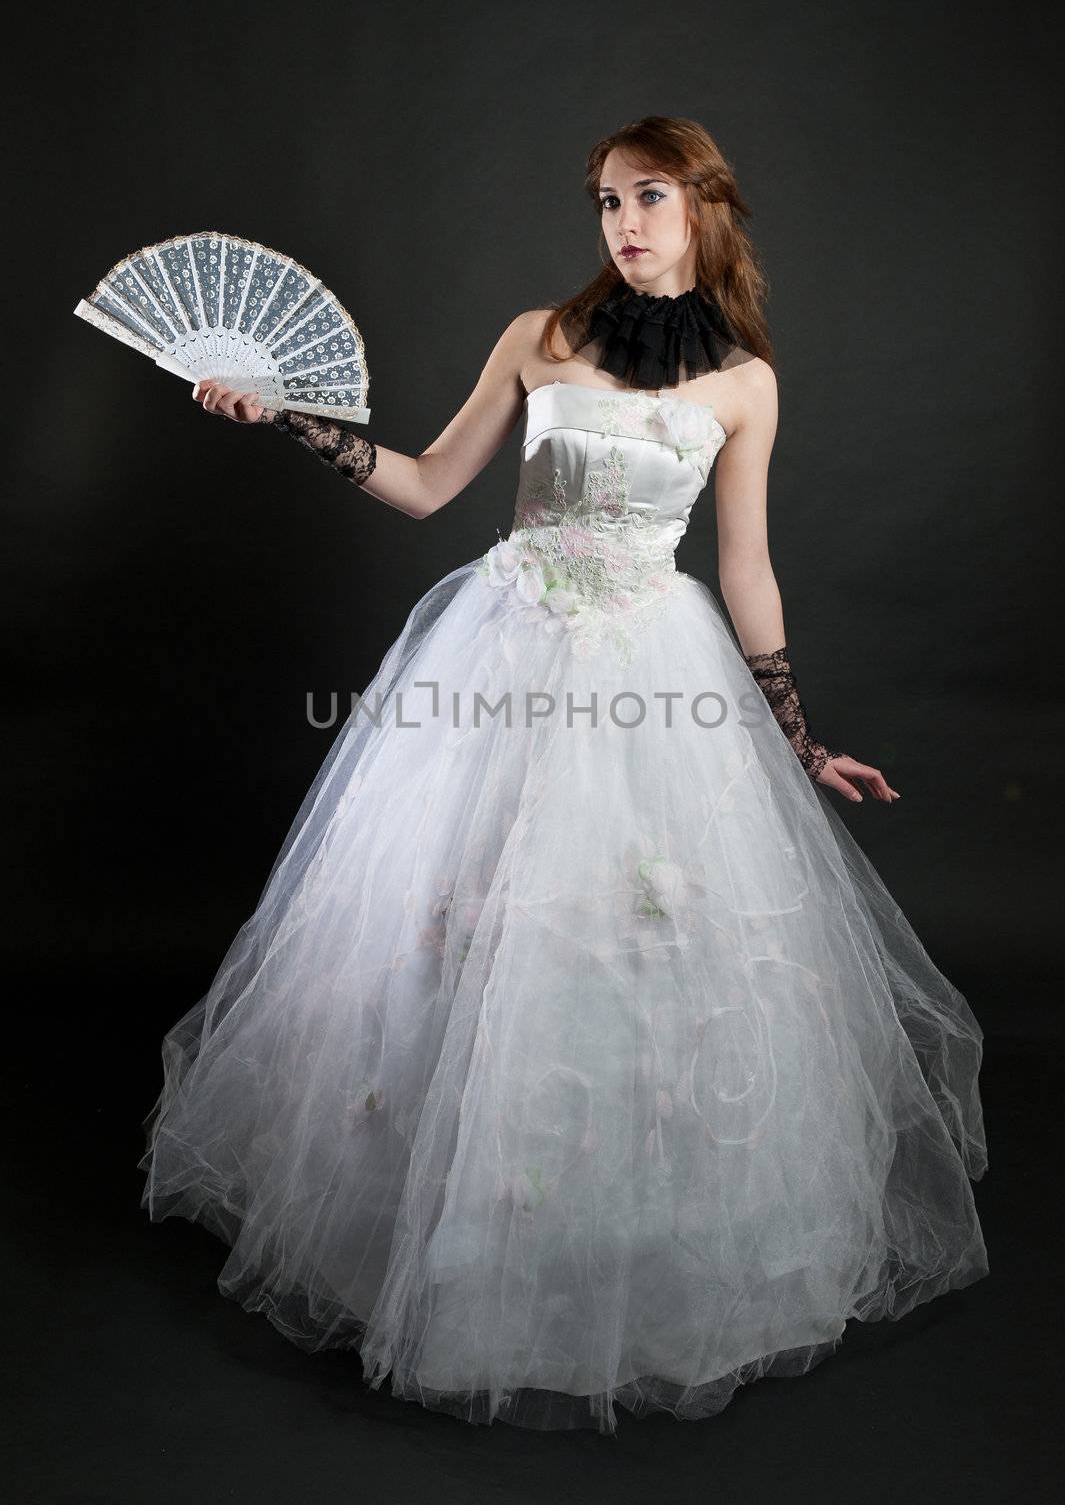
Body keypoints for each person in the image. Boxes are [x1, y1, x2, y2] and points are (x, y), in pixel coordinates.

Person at [138, 115, 988, 1437]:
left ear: (708, 208)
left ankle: (631, 1248)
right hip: (506, 654)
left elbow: (748, 568)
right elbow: (425, 487)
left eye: (648, 197)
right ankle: (437, 1233)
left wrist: (797, 740)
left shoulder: (746, 383)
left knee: (637, 940)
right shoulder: (539, 334)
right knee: (458, 925)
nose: (623, 223)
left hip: (658, 665)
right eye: (604, 202)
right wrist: (285, 417)